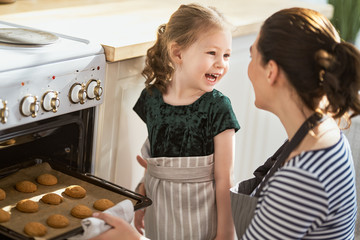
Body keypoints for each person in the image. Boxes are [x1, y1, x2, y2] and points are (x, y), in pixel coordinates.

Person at [90, 6, 359, 240]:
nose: (235, 66)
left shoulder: (304, 176)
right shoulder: (317, 135)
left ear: (271, 71)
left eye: (251, 56)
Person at [132, 3, 239, 240]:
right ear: (178, 53)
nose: (221, 63)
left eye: (226, 55)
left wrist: (226, 235)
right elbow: (154, 155)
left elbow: (225, 180)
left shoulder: (218, 108)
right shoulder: (152, 98)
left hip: (200, 220)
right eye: (212, 53)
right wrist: (141, 195)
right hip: (158, 211)